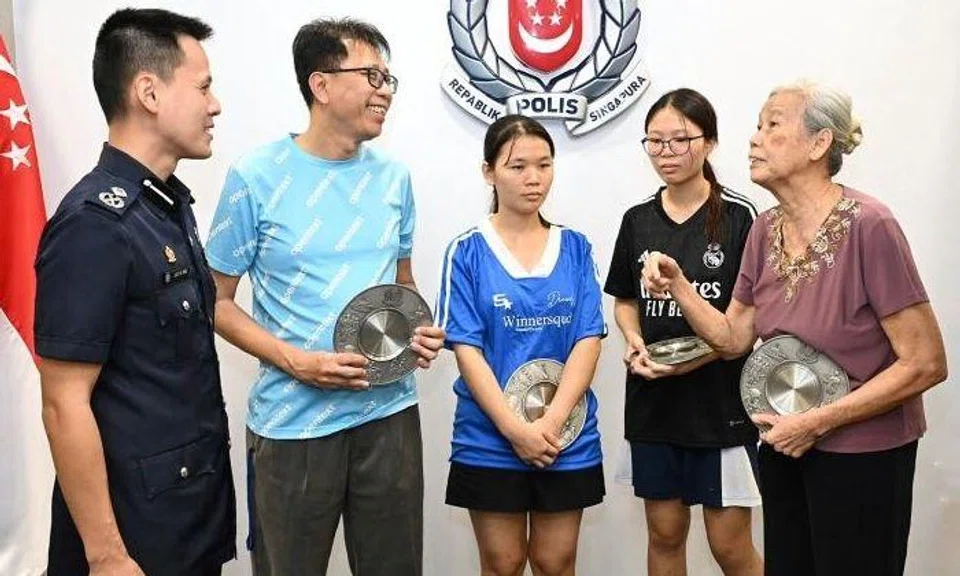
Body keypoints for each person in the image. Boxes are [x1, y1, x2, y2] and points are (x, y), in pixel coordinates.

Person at [642, 80, 948, 576]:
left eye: (773, 125)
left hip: (864, 452)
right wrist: (679, 286)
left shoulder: (871, 224)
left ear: (819, 143)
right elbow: (734, 338)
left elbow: (926, 363)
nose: (755, 139)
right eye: (758, 126)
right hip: (783, 442)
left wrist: (819, 421)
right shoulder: (764, 229)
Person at [204, 18, 444, 576]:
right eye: (372, 75)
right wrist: (296, 362)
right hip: (293, 426)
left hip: (390, 417)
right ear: (321, 84)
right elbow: (215, 300)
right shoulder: (255, 177)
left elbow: (401, 285)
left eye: (390, 78)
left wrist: (417, 330)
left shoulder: (394, 178)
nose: (385, 89)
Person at [34, 9, 234, 576]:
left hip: (186, 522)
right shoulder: (95, 225)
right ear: (149, 91)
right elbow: (63, 402)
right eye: (203, 86)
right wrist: (105, 556)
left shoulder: (167, 209)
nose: (215, 104)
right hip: (130, 546)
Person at [436, 114, 606, 576]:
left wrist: (548, 425)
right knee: (502, 562)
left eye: (544, 164)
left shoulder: (575, 247)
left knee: (555, 562)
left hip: (565, 436)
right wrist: (515, 430)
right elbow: (466, 349)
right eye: (517, 167)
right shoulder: (466, 250)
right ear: (489, 171)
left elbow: (588, 338)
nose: (533, 178)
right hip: (489, 437)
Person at [605, 88, 763, 576]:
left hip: (719, 406)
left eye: (680, 140)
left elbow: (746, 326)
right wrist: (633, 341)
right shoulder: (637, 220)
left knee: (729, 545)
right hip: (655, 404)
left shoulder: (740, 217)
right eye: (655, 142)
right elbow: (625, 301)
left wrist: (693, 361)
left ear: (709, 143)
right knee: (665, 535)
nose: (666, 152)